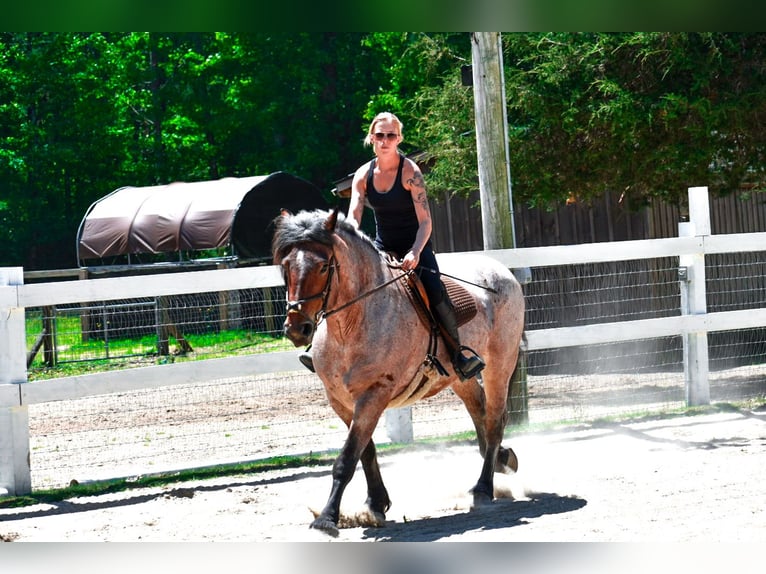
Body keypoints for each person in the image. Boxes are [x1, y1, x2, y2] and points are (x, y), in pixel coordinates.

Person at [300, 112, 484, 381]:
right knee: (340, 282)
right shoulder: (363, 174)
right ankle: (317, 345)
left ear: (398, 139)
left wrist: (415, 252)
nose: (385, 141)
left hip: (415, 246)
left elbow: (425, 222)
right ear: (371, 138)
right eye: (379, 135)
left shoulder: (410, 171)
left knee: (433, 290)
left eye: (391, 136)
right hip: (382, 247)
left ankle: (459, 354)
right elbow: (353, 217)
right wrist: (351, 244)